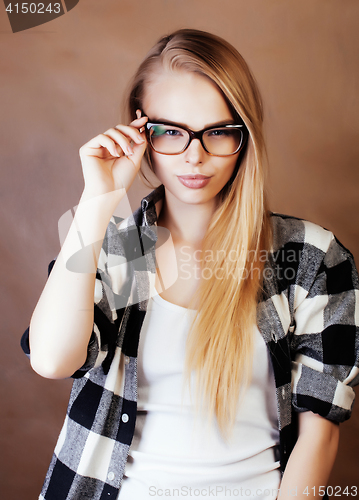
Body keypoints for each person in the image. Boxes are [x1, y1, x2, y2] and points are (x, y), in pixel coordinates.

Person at [22, 29, 359, 500]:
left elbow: (319, 431)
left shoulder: (311, 257)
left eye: (218, 131)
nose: (194, 156)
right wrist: (100, 200)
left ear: (244, 137)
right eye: (170, 132)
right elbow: (52, 360)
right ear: (140, 131)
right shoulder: (108, 248)